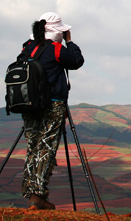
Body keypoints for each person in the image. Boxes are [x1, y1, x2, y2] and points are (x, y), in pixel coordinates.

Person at [17, 11, 84, 210]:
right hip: (52, 104)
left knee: (33, 147)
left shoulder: (27, 47)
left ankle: (31, 192)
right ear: (57, 32)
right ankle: (38, 196)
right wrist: (70, 42)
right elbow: (76, 61)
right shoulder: (55, 49)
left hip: (28, 105)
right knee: (46, 148)